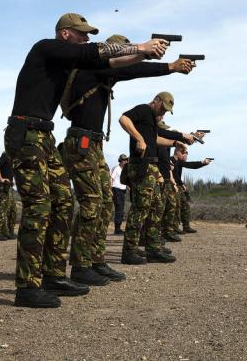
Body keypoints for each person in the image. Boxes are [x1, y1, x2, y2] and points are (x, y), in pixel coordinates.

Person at [4, 12, 166, 308]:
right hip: (25, 131)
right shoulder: (46, 48)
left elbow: (115, 64)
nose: (87, 38)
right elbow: (97, 51)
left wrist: (162, 64)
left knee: (64, 202)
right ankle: (27, 286)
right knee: (39, 207)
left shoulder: (70, 62)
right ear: (65, 34)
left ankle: (52, 274)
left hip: (43, 136)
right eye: (82, 33)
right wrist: (141, 47)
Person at [60, 43, 194, 285]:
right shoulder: (93, 70)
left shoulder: (104, 80)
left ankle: (96, 261)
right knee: (92, 204)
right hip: (82, 143)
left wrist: (178, 139)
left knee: (103, 204)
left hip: (93, 144)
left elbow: (130, 69)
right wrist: (169, 66)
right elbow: (133, 71)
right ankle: (81, 265)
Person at [119, 92, 194, 265]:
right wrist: (138, 138)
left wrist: (176, 142)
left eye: (167, 111)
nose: (164, 112)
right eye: (163, 108)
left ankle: (153, 249)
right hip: (142, 165)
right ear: (156, 100)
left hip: (152, 167)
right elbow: (123, 119)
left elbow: (157, 137)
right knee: (141, 209)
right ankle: (128, 251)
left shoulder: (151, 120)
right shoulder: (144, 109)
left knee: (155, 207)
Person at [172, 145, 212, 234]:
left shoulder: (180, 162)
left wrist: (203, 162)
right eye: (184, 154)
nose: (186, 156)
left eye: (186, 154)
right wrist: (181, 184)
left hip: (178, 186)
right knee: (174, 208)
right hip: (172, 186)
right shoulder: (172, 160)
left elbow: (191, 165)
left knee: (185, 206)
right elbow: (174, 175)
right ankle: (173, 228)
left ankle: (186, 227)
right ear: (178, 152)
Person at [0, 152, 17, 241]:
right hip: (4, 186)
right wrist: (1, 179)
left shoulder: (14, 158)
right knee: (3, 209)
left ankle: (8, 232)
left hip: (9, 186)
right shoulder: (6, 154)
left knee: (12, 209)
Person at [110, 154, 128, 235]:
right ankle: (117, 229)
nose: (125, 161)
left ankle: (119, 228)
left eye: (126, 160)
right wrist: (110, 190)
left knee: (121, 209)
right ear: (120, 161)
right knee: (119, 209)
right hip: (116, 190)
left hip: (123, 190)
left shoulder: (125, 169)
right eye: (123, 160)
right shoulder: (116, 168)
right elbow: (111, 178)